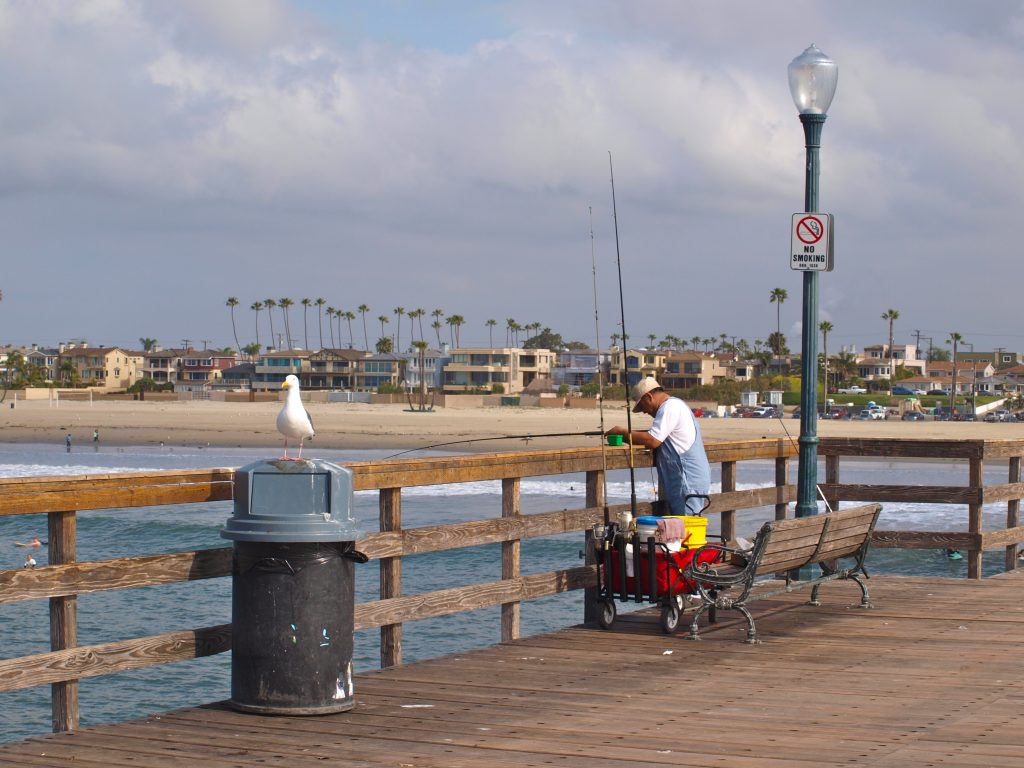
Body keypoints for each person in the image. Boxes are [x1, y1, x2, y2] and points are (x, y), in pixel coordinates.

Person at [606, 376, 711, 516]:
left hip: (687, 482)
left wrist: (622, 433)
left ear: (649, 397)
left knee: (687, 530)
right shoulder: (677, 405)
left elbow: (653, 440)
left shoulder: (670, 407)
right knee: (684, 529)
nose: (645, 411)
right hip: (689, 481)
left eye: (643, 406)